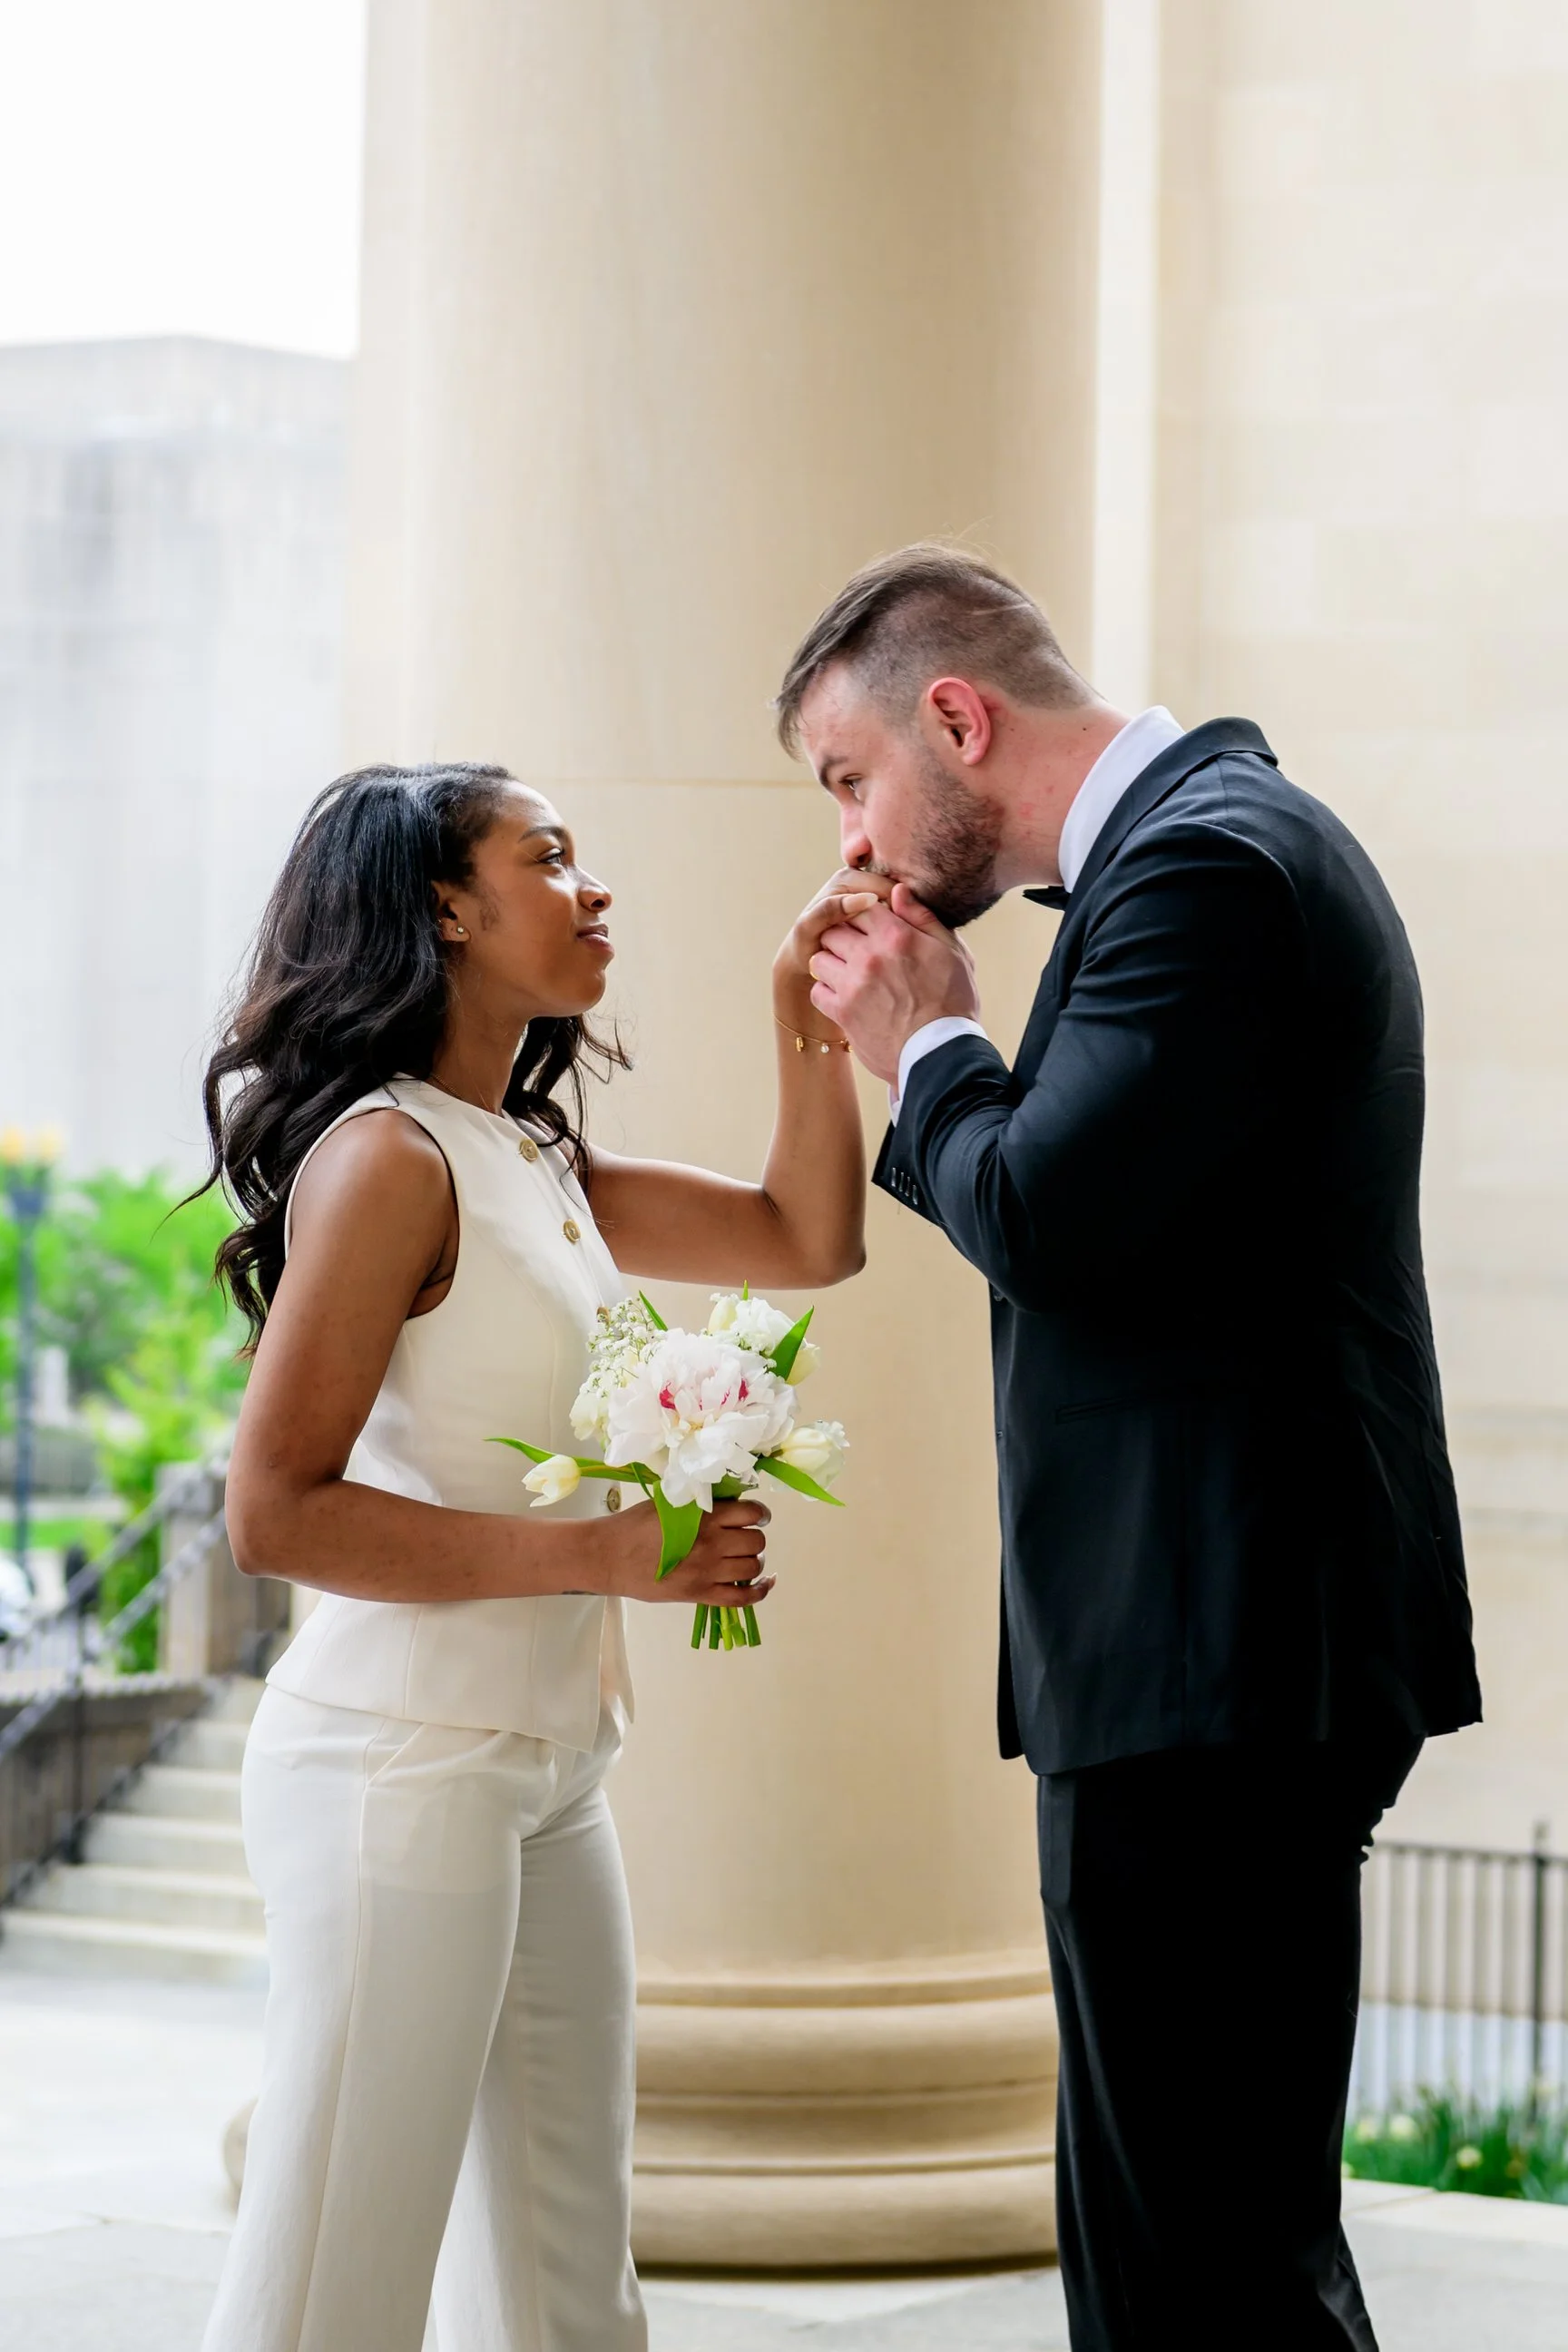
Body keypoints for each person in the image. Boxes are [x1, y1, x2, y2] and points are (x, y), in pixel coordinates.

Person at [779, 545, 1482, 2352]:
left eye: (850, 781)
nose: (852, 842)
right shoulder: (1202, 849)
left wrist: (927, 1040)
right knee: (1202, 2251)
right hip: (1218, 1652)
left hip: (1212, 1660)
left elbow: (1051, 1214)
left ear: (957, 717)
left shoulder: (1207, 869)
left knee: (1201, 2272)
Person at [196, 762, 871, 2352]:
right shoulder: (387, 1161)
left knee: (570, 2281)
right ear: (444, 906)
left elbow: (806, 1238)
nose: (594, 889)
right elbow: (272, 1511)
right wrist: (604, 1558)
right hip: (396, 1770)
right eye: (550, 858)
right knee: (332, 2290)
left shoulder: (532, 1161)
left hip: (550, 1768)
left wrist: (808, 1010)